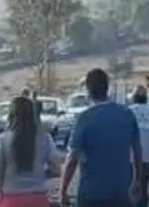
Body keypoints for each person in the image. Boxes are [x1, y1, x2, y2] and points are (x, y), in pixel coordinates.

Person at [60, 68, 143, 207]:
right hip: (120, 192)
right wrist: (137, 180)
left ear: (88, 91)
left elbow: (73, 157)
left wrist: (63, 190)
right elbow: (137, 151)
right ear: (107, 88)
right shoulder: (126, 114)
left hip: (92, 194)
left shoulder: (85, 118)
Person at [0, 96, 62, 207]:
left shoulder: (2, 140)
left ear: (11, 115)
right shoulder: (45, 138)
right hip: (38, 199)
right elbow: (56, 169)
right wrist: (39, 174)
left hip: (11, 199)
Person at [127, 87, 149, 207]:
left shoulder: (129, 112)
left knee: (129, 193)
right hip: (147, 160)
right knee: (143, 191)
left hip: (130, 160)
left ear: (134, 98)